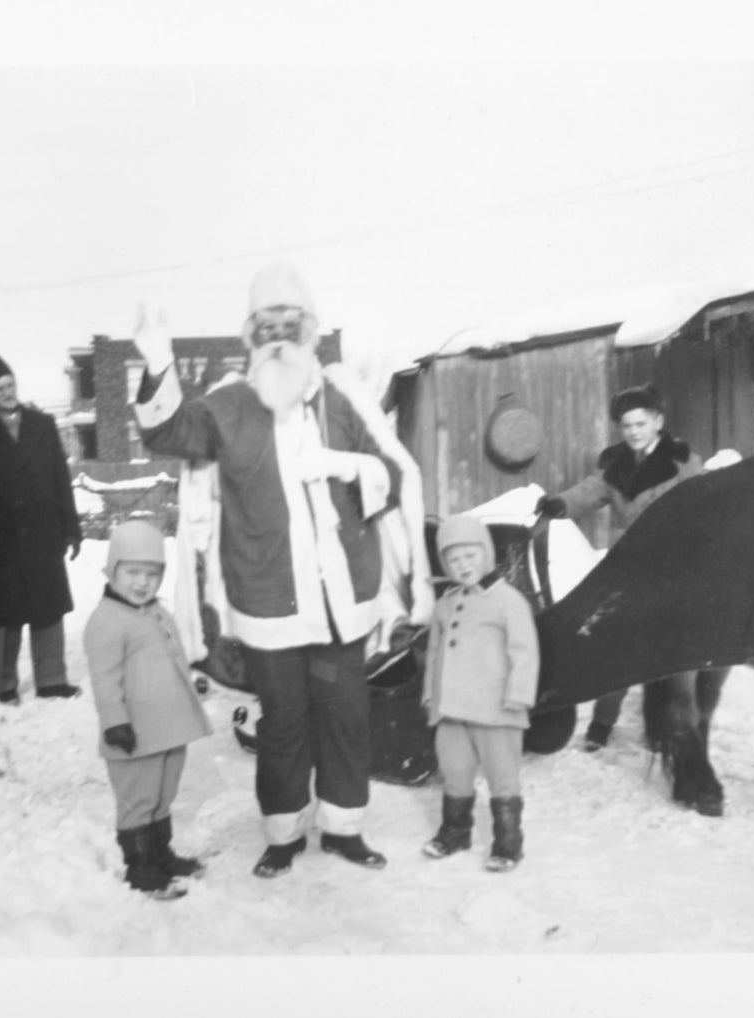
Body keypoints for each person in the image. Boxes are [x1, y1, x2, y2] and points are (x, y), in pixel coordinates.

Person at [132, 262, 427, 879]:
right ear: (251, 334)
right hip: (267, 599)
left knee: (346, 716)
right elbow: (167, 432)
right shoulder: (229, 404)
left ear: (310, 331)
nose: (280, 335)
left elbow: (396, 476)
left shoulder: (342, 397)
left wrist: (345, 465)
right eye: (267, 325)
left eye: (290, 324)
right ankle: (284, 834)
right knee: (285, 722)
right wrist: (158, 363)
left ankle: (344, 828)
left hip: (342, 599)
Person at [536, 385, 703, 751]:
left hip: (672, 571)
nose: (633, 432)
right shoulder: (615, 466)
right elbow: (589, 490)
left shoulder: (684, 463)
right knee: (619, 647)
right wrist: (557, 504)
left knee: (676, 658)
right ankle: (601, 724)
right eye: (626, 425)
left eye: (640, 423)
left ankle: (678, 734)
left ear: (658, 422)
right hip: (628, 568)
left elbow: (704, 510)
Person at [84, 520, 211, 901]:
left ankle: (161, 854)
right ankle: (140, 867)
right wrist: (115, 722)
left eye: (152, 575)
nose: (142, 583)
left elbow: (172, 656)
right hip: (133, 733)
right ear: (113, 569)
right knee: (138, 799)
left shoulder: (156, 611)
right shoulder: (106, 622)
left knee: (162, 794)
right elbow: (105, 681)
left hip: (169, 728)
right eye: (133, 573)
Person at [0, 350, 83, 704]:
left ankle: (52, 680)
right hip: (1, 540)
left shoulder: (42, 425)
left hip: (44, 534)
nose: (6, 393)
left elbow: (61, 479)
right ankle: (6, 683)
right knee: (8, 616)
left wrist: (71, 528)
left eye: (9, 384)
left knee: (48, 609)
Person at [421, 513, 539, 872]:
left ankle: (508, 843)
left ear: (486, 553)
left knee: (502, 773)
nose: (463, 565)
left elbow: (525, 650)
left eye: (470, 556)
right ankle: (455, 832)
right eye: (454, 560)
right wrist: (431, 694)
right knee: (454, 770)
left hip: (496, 708)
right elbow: (436, 652)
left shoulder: (508, 600)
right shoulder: (445, 603)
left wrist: (518, 695)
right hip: (452, 708)